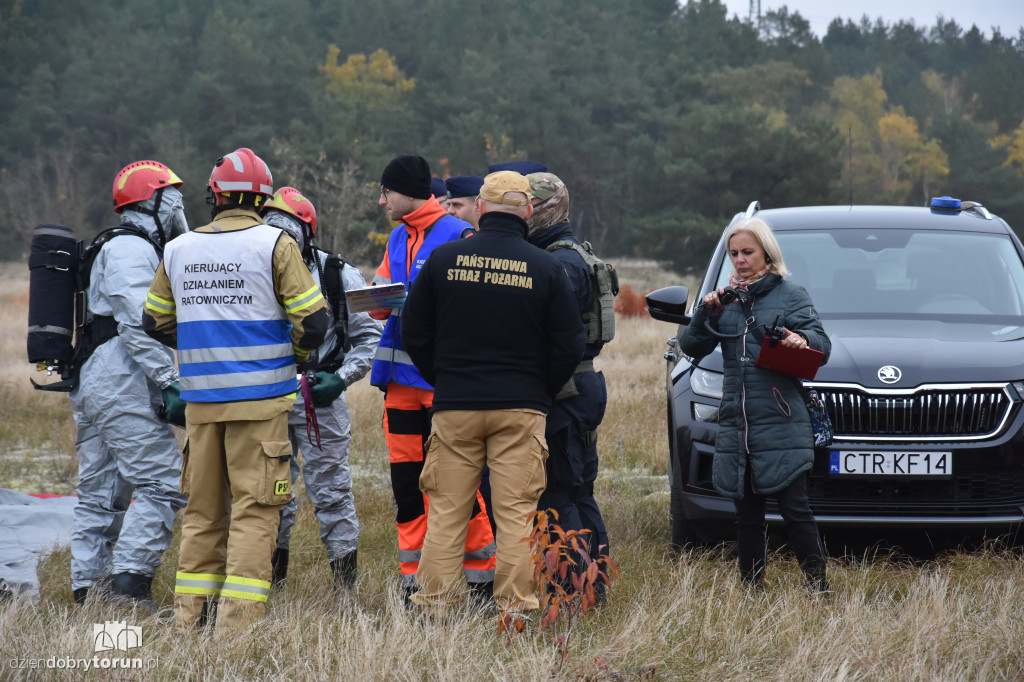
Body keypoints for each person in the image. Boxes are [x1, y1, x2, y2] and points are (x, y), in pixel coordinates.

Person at [143, 148, 329, 633]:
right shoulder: (274, 244)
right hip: (262, 403)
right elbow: (313, 322)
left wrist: (204, 344)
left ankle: (190, 621)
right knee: (256, 510)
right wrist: (296, 360)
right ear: (264, 199)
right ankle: (236, 629)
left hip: (202, 407)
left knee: (203, 512)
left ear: (214, 196)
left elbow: (154, 319)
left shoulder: (179, 248)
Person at [401, 170, 586, 617]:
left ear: (480, 208)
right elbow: (569, 344)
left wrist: (443, 378)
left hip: (455, 406)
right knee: (518, 517)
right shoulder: (547, 268)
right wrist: (539, 389)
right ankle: (516, 612)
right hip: (521, 409)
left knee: (447, 512)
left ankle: (434, 609)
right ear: (527, 212)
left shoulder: (443, 260)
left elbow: (415, 332)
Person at [678, 217, 831, 592]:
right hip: (737, 423)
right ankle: (751, 589)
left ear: (766, 253)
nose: (740, 260)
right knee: (746, 514)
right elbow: (692, 348)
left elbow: (822, 346)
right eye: (734, 254)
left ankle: (818, 587)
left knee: (796, 510)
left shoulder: (792, 295)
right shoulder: (725, 302)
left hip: (781, 419)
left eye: (748, 252)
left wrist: (800, 338)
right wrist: (705, 312)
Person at [369, 154, 496, 601]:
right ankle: (413, 589)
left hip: (444, 387)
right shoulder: (396, 237)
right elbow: (383, 302)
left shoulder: (459, 234)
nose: (381, 200)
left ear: (408, 191)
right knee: (407, 490)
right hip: (399, 388)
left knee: (458, 486)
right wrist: (373, 299)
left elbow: (469, 310)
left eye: (387, 191)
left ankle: (483, 585)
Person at [69, 160, 189, 610]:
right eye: (172, 198)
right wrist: (168, 381)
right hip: (118, 379)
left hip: (96, 377)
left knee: (101, 491)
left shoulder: (122, 246)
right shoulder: (130, 250)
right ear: (154, 201)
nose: (179, 208)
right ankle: (130, 589)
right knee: (161, 481)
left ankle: (90, 593)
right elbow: (139, 325)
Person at [260, 187, 382, 592]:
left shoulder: (339, 274)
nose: (280, 240)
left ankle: (345, 591)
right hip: (265, 397)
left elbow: (369, 338)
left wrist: (341, 378)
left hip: (319, 397)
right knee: (269, 491)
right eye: (270, 229)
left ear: (306, 233)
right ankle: (270, 583)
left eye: (288, 233)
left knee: (331, 491)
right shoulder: (251, 271)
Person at [525, 172, 611, 597]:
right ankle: (594, 583)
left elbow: (558, 340)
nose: (521, 214)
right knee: (578, 490)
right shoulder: (573, 254)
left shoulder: (560, 263)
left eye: (528, 205)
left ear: (546, 210)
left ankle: (573, 590)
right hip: (581, 387)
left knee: (561, 492)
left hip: (567, 392)